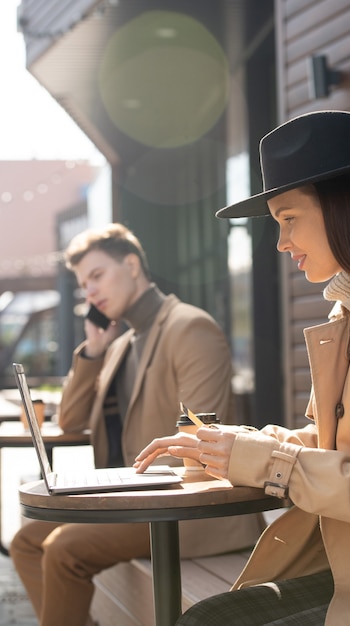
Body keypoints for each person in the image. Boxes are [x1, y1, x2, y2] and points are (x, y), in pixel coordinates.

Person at [135, 110, 350, 625]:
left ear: (343, 205)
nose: (281, 243)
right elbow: (340, 446)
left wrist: (269, 464)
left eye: (288, 219)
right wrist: (238, 445)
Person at [10, 223, 264, 626]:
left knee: (62, 548)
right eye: (82, 285)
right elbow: (72, 422)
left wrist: (123, 487)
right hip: (133, 499)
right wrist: (92, 351)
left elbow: (203, 444)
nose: (89, 291)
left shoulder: (189, 327)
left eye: (96, 276)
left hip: (189, 510)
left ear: (131, 265)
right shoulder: (119, 346)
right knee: (26, 542)